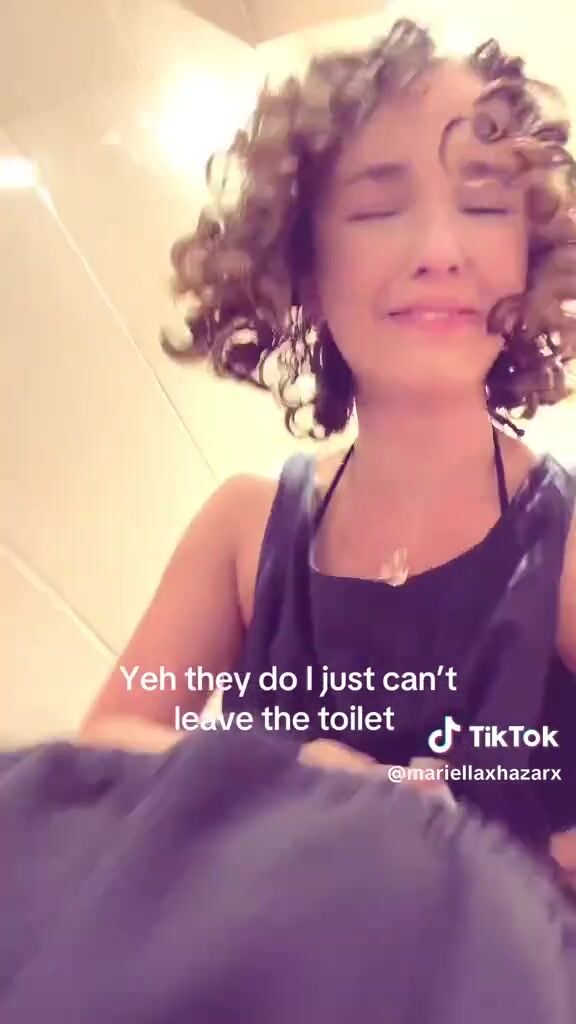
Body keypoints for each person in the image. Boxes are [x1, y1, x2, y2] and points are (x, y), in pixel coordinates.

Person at [81, 22, 576, 869]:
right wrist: (287, 780)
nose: (440, 252)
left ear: (530, 256)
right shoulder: (242, 531)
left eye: (486, 205)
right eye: (380, 210)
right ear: (303, 268)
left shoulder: (563, 544)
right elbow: (98, 757)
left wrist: (470, 856)